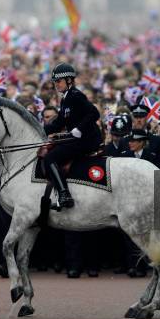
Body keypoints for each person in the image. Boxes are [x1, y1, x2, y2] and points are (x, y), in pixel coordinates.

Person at [43, 63, 101, 210]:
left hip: (86, 139)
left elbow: (95, 113)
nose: (56, 84)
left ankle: (64, 194)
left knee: (50, 158)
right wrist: (40, 130)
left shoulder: (76, 96)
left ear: (69, 80)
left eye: (59, 81)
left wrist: (78, 129)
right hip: (76, 138)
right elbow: (59, 123)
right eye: (55, 82)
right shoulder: (65, 99)